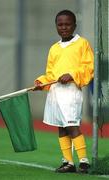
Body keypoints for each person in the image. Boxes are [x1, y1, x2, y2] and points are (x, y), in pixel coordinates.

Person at [34, 10, 94, 173]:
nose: (64, 27)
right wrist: (42, 82)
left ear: (74, 25)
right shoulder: (54, 48)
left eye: (68, 24)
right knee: (61, 127)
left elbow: (88, 67)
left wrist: (72, 75)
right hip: (55, 92)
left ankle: (83, 161)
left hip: (71, 92)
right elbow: (51, 74)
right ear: (56, 26)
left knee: (71, 124)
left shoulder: (82, 43)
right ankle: (68, 162)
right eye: (60, 24)